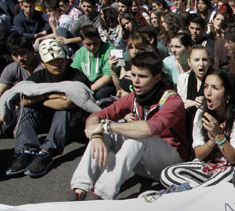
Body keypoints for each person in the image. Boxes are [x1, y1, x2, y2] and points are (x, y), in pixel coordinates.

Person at [69, 52, 190, 200]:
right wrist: (96, 136)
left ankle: (101, 194)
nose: (136, 81)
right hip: (143, 165)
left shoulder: (172, 100)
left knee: (137, 137)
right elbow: (95, 117)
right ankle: (80, 186)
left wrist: (106, 126)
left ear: (157, 77)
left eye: (142, 76)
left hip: (170, 165)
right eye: (133, 75)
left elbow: (150, 129)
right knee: (105, 133)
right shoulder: (133, 97)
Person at [5, 40, 90, 178]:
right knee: (26, 109)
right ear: (43, 64)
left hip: (75, 124)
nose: (57, 64)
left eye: (60, 60)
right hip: (48, 120)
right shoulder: (39, 76)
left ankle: (47, 152)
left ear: (65, 60)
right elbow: (20, 100)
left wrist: (37, 98)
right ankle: (26, 151)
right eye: (51, 61)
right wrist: (47, 96)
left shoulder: (77, 76)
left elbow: (66, 103)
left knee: (64, 111)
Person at [161, 69, 235, 189]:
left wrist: (218, 135)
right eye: (206, 87)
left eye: (215, 88)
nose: (208, 93)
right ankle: (202, 191)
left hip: (229, 169)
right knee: (168, 173)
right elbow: (199, 154)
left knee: (232, 175)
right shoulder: (202, 112)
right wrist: (212, 141)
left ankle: (191, 191)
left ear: (227, 94)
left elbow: (234, 159)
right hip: (206, 166)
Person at [70, 25, 115, 100]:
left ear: (99, 39)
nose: (92, 47)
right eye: (88, 44)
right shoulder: (80, 53)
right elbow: (74, 71)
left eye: (95, 43)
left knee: (100, 94)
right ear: (82, 42)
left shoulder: (110, 50)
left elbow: (108, 77)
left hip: (104, 84)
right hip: (87, 83)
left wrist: (89, 90)